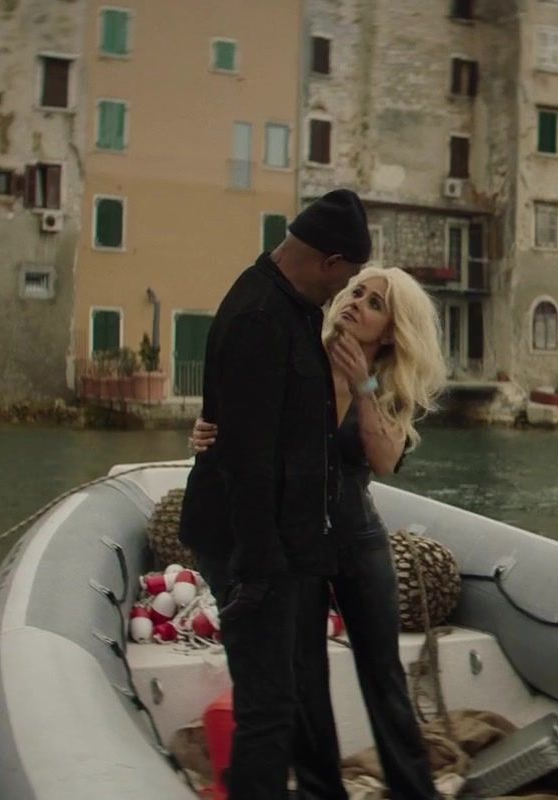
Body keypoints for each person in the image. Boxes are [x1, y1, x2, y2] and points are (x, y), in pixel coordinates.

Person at [190, 266, 447, 800]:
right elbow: (249, 427)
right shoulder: (299, 355)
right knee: (306, 678)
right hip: (299, 542)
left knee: (384, 677)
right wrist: (205, 432)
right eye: (357, 291)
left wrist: (363, 385)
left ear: (391, 331)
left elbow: (384, 459)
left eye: (375, 303)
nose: (356, 302)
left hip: (359, 542)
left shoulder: (388, 384)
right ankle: (319, 792)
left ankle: (414, 792)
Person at [177, 189, 368, 800]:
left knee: (295, 691)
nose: (343, 292)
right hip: (254, 548)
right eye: (346, 277)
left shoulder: (292, 308)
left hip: (289, 545)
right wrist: (258, 570)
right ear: (329, 261)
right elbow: (248, 459)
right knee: (268, 706)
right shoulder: (261, 316)